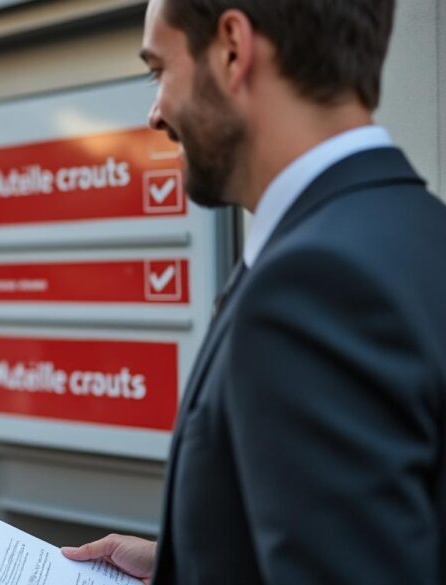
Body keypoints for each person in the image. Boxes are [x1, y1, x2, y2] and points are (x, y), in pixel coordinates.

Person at [62, 0, 446, 583]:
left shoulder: (308, 288)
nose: (155, 113)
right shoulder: (424, 232)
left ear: (233, 49)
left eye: (159, 70)